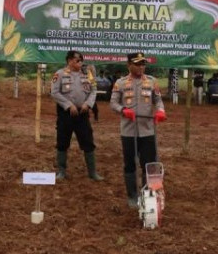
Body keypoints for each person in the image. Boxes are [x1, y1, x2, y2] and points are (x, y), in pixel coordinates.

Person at [110, 52, 167, 207]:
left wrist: (161, 111)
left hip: (147, 130)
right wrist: (123, 110)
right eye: (138, 64)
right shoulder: (120, 83)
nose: (141, 66)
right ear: (129, 65)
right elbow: (113, 103)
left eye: (143, 64)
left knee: (149, 164)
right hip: (128, 131)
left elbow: (158, 100)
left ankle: (148, 193)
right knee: (129, 163)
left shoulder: (152, 81)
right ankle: (132, 196)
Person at [50, 50, 103, 181]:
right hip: (65, 114)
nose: (80, 62)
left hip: (82, 114)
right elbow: (54, 92)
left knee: (88, 142)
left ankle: (92, 172)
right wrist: (68, 105)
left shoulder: (87, 74)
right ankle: (61, 171)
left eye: (81, 60)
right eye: (77, 60)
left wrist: (88, 104)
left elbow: (94, 90)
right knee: (62, 142)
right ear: (69, 61)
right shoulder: (60, 74)